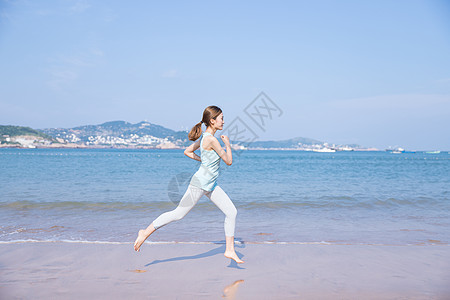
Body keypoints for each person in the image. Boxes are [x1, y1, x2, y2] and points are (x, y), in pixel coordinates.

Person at [133, 105, 244, 264]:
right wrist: (227, 144)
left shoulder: (204, 138)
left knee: (231, 212)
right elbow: (229, 161)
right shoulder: (212, 139)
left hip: (211, 185)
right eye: (221, 119)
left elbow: (187, 151)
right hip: (199, 184)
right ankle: (144, 232)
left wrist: (203, 160)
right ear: (212, 121)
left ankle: (229, 250)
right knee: (178, 214)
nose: (223, 122)